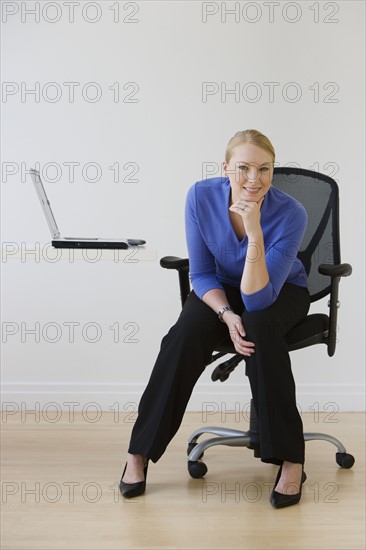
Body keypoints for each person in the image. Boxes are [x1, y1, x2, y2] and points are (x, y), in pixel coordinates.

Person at [119, 129, 311, 508]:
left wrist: (254, 232)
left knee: (260, 329)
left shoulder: (291, 213)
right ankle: (138, 452)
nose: (254, 179)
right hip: (220, 288)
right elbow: (202, 273)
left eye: (264, 169)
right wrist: (225, 315)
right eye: (243, 168)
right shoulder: (199, 197)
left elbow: (258, 300)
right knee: (183, 335)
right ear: (225, 168)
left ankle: (291, 459)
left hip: (279, 289)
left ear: (273, 171)